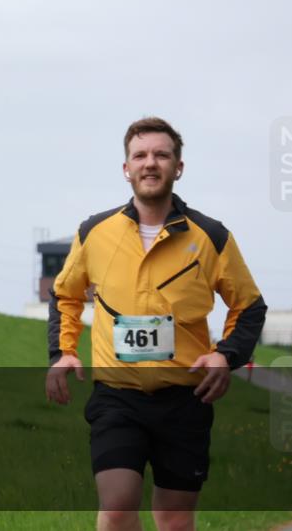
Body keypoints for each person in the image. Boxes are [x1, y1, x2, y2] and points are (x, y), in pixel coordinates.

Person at [45, 117, 267, 531]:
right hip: (117, 396)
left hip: (185, 398)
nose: (151, 163)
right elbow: (65, 295)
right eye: (140, 155)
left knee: (175, 519)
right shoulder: (95, 232)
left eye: (161, 155)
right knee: (116, 508)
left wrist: (226, 356)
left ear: (177, 167)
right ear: (126, 168)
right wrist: (63, 353)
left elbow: (250, 307)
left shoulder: (210, 237)